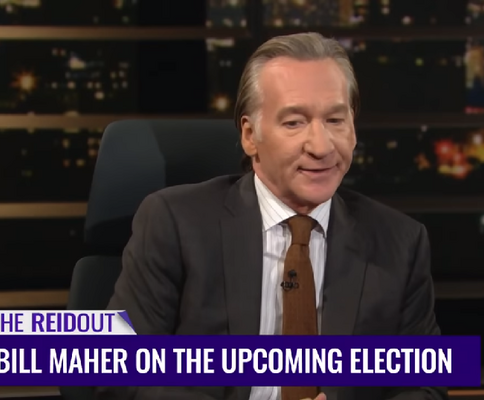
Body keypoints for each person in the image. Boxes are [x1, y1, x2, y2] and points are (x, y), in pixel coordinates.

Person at [96, 32, 448, 400]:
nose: (321, 146)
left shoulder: (399, 242)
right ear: (250, 135)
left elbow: (427, 387)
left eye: (335, 120)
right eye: (294, 122)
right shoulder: (174, 223)